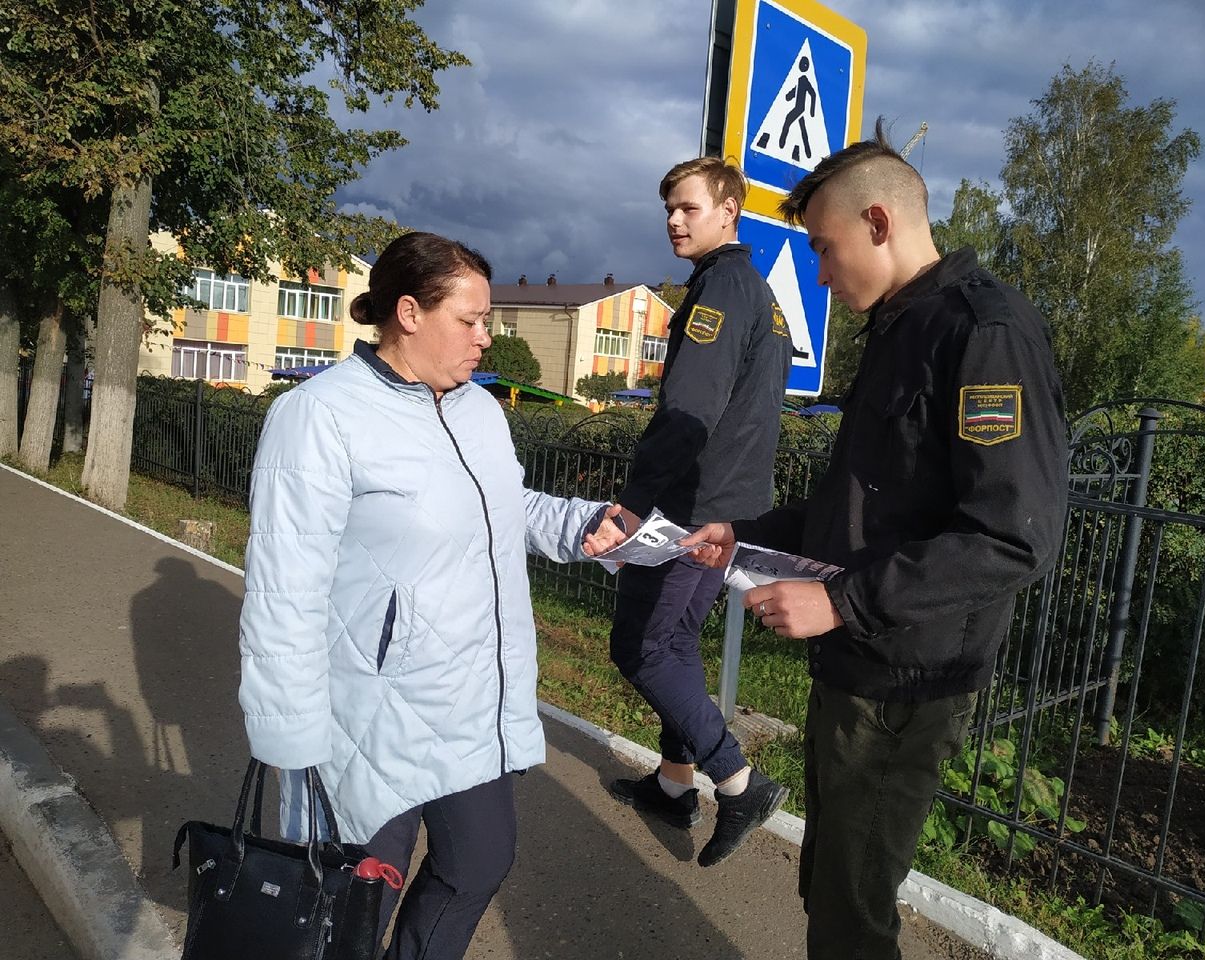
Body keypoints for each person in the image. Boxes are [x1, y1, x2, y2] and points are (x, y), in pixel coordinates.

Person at [683, 120, 1068, 959]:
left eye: (824, 248)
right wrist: (739, 534)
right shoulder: (900, 333)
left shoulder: (982, 332)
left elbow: (1013, 536)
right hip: (859, 667)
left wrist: (842, 601)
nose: (819, 273)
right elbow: (854, 510)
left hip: (908, 683)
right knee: (832, 885)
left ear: (881, 223)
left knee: (852, 915)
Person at [237, 231, 626, 960]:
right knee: (349, 912)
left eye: (488, 322)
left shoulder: (477, 410)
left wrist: (586, 526)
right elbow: (282, 588)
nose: (487, 338)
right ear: (409, 313)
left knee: (480, 861)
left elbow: (508, 508)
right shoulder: (320, 416)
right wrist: (293, 742)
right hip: (368, 720)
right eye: (471, 321)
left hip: (467, 700)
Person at [607, 156, 792, 867]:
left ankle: (738, 782)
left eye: (688, 208)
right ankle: (675, 784)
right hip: (730, 512)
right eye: (668, 209)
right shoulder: (759, 293)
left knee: (643, 648)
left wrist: (631, 507)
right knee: (676, 646)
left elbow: (688, 415)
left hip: (689, 510)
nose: (674, 221)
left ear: (728, 212)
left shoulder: (718, 291)